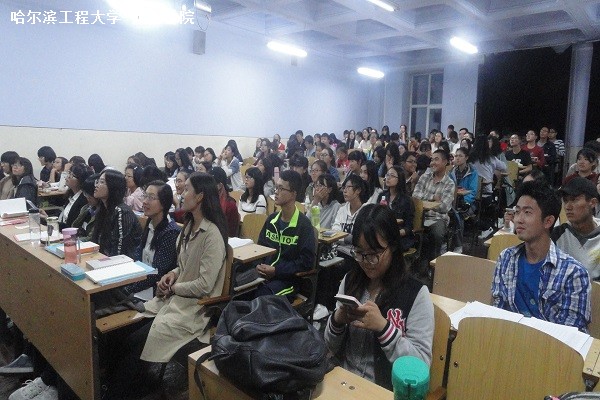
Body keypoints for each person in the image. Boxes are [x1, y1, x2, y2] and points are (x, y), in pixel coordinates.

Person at [106, 172, 228, 397]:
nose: (181, 193)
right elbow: (184, 265)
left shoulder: (212, 235)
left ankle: (120, 393)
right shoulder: (189, 227)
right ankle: (121, 386)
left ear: (200, 196)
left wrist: (173, 288)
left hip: (192, 309)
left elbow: (204, 285)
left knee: (137, 342)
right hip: (172, 300)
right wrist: (172, 274)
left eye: (187, 189)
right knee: (123, 334)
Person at [324, 204, 433, 389]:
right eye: (359, 253)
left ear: (393, 246)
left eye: (374, 254)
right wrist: (337, 320)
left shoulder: (416, 294)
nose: (366, 262)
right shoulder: (350, 281)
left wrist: (384, 329)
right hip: (344, 381)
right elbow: (329, 347)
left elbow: (421, 365)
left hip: (383, 390)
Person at [491, 181, 591, 332]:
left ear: (548, 221)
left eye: (527, 212)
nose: (518, 219)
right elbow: (498, 311)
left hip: (549, 344)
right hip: (509, 338)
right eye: (517, 211)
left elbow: (569, 333)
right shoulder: (506, 258)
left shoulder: (574, 273)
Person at [255, 170, 316, 297]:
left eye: (281, 188)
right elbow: (260, 248)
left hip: (288, 281)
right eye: (276, 187)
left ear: (293, 194)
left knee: (262, 296)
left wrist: (276, 271)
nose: (276, 192)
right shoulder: (271, 220)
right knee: (241, 290)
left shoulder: (303, 225)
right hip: (264, 276)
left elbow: (306, 262)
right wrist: (258, 266)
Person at [124, 181, 180, 296]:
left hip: (153, 290)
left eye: (151, 197)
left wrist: (129, 288)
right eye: (145, 196)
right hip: (139, 281)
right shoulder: (150, 223)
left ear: (164, 203)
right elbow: (138, 256)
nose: (145, 201)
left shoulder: (170, 232)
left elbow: (158, 273)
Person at [412, 150, 455, 264]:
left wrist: (425, 201)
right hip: (420, 215)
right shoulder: (424, 177)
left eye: (436, 159)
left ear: (445, 162)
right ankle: (414, 261)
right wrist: (433, 198)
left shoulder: (449, 183)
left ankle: (433, 264)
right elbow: (415, 196)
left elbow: (444, 207)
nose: (432, 163)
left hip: (437, 218)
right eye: (432, 159)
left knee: (436, 233)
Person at [552, 177, 600, 279]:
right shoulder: (556, 235)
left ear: (593, 202)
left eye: (574, 200)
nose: (568, 207)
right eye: (565, 201)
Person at [92, 169, 142, 258]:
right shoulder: (102, 209)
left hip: (122, 262)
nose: (96, 185)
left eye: (102, 182)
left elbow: (119, 251)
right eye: (97, 181)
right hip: (102, 258)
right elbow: (96, 240)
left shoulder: (122, 212)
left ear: (113, 187)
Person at [376, 165, 415, 252]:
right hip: (383, 234)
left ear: (399, 179)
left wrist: (396, 233)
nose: (388, 178)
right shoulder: (382, 196)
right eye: (387, 175)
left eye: (392, 175)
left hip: (399, 237)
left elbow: (409, 226)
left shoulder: (406, 200)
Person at [449, 147, 479, 253]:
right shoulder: (452, 172)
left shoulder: (473, 172)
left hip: (469, 203)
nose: (457, 158)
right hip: (453, 201)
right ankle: (448, 242)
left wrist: (464, 200)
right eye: (456, 156)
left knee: (458, 214)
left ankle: (459, 245)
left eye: (460, 156)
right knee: (450, 213)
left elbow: (473, 192)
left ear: (466, 158)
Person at [51, 163, 93, 230]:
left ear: (80, 180)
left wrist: (50, 221)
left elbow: (71, 227)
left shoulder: (83, 200)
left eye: (72, 175)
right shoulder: (71, 195)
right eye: (69, 173)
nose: (67, 177)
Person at [209, 167, 240, 237]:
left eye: (210, 183)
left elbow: (231, 233)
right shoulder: (205, 200)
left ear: (219, 185)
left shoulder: (230, 205)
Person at [72, 173, 100, 241]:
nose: (87, 198)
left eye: (89, 195)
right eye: (85, 194)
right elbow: (74, 228)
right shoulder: (86, 208)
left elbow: (91, 238)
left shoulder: (102, 212)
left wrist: (72, 241)